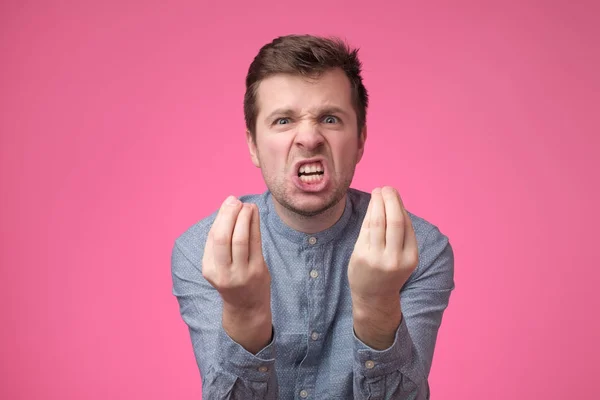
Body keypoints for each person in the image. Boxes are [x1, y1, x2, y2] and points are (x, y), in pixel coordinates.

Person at [171, 34, 455, 399]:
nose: (309, 137)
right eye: (284, 120)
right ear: (253, 146)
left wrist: (377, 305)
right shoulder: (202, 250)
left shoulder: (420, 248)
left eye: (330, 118)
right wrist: (245, 312)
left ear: (360, 140)